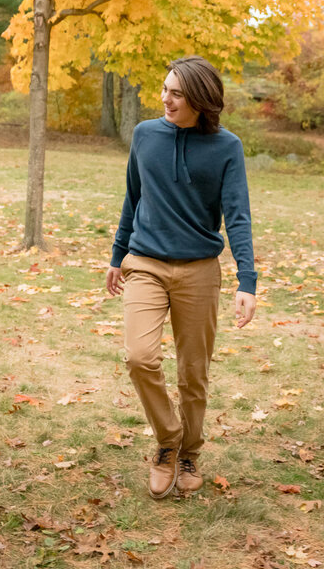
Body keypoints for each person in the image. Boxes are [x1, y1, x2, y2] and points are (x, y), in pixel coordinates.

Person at [105, 56, 257, 499]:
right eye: (164, 89)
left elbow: (238, 217)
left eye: (176, 92)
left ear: (200, 99)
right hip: (146, 263)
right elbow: (133, 197)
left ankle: (188, 451)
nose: (165, 98)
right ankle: (169, 439)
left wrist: (247, 281)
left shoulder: (227, 147)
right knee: (139, 357)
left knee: (194, 372)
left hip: (199, 271)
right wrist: (118, 255)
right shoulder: (145, 135)